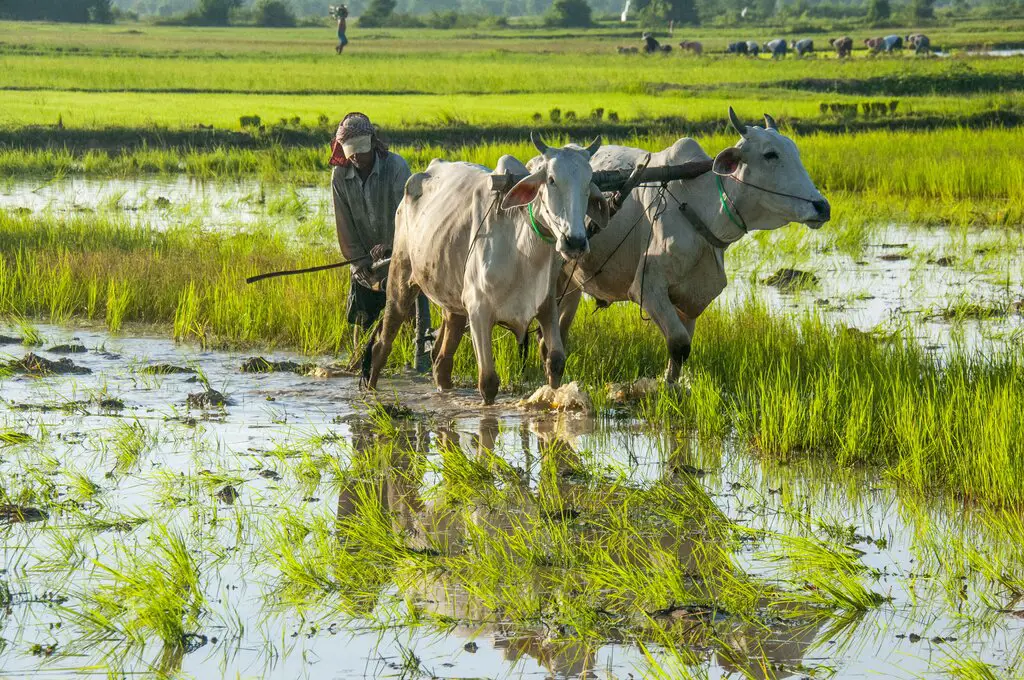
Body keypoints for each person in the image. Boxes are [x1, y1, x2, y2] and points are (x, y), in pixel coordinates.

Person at [330, 112, 432, 373]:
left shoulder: (396, 167)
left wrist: (391, 244)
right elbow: (344, 224)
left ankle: (421, 366)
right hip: (365, 262)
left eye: (360, 152)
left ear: (373, 145)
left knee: (413, 316)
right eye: (350, 152)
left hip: (402, 255)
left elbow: (411, 214)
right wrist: (357, 260)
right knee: (364, 324)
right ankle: (363, 367)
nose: (355, 158)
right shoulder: (340, 177)